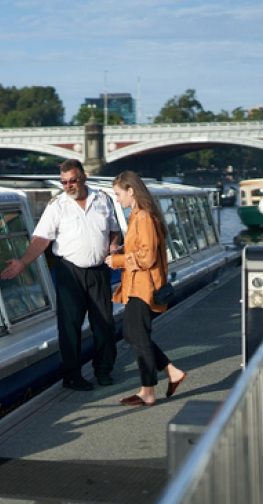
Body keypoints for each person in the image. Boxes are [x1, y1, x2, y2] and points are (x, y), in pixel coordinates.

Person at [0, 159, 120, 391]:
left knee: (104, 323)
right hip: (70, 272)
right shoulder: (57, 206)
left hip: (98, 272)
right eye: (64, 182)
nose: (68, 186)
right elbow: (42, 239)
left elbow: (114, 231)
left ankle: (104, 370)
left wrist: (114, 247)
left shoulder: (103, 199)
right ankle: (72, 376)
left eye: (73, 181)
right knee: (69, 325)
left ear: (84, 177)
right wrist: (24, 262)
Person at [105, 171, 187, 407]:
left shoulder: (143, 217)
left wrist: (118, 261)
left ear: (131, 191)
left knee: (137, 335)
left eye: (118, 194)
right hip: (136, 286)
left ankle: (148, 391)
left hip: (144, 287)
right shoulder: (138, 215)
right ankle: (171, 372)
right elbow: (141, 248)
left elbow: (148, 256)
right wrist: (121, 250)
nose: (117, 199)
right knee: (132, 334)